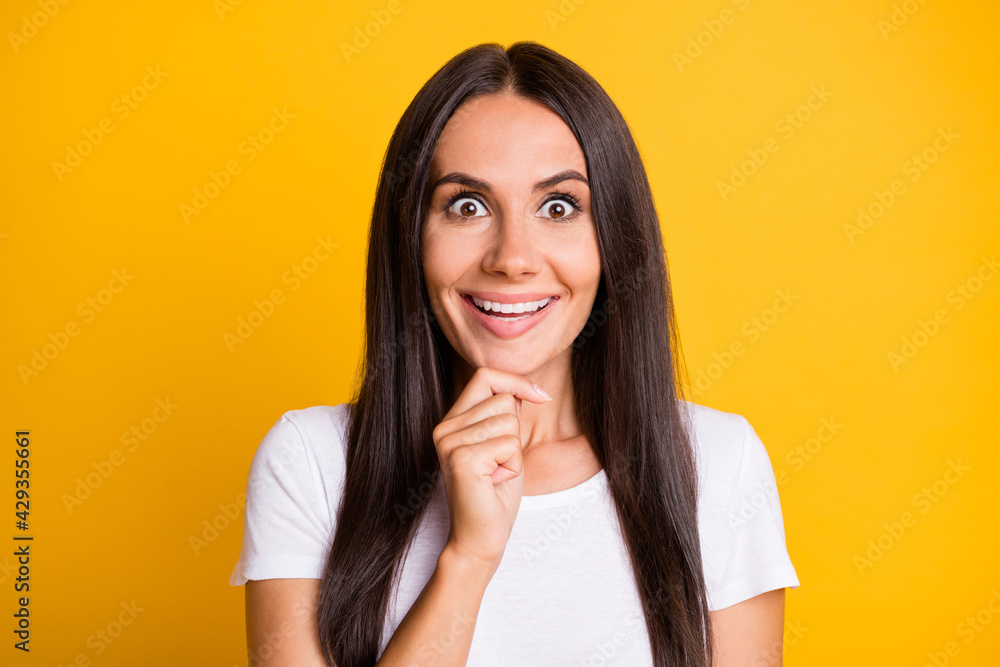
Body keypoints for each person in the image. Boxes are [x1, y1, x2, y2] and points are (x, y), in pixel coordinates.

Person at [229, 41, 799, 667]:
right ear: (411, 238)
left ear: (613, 239)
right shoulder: (312, 463)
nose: (513, 257)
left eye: (559, 206)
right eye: (466, 205)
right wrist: (469, 559)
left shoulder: (718, 464)